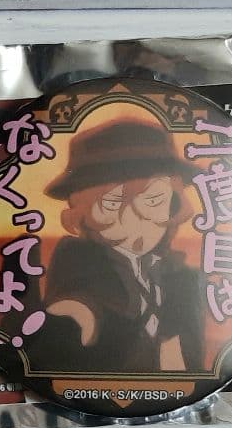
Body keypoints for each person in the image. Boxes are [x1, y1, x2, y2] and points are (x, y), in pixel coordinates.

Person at [28, 114, 204, 374]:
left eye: (153, 200)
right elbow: (76, 305)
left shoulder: (179, 275)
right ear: (81, 213)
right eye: (111, 205)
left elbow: (187, 356)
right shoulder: (78, 261)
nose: (135, 218)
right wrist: (79, 318)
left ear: (173, 203)